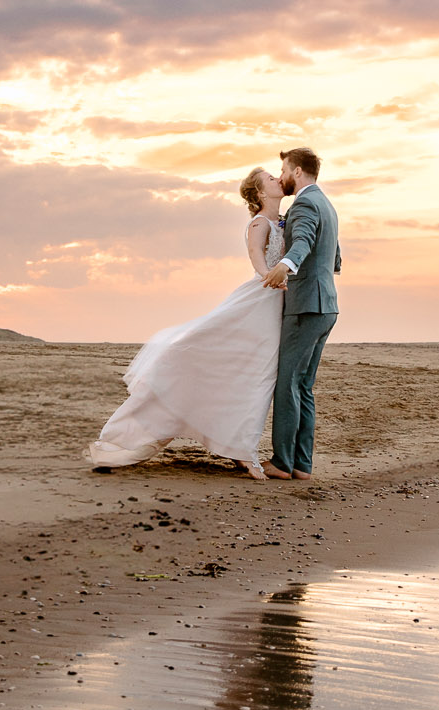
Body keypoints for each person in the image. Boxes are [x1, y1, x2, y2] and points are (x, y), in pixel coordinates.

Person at [85, 166, 290, 479]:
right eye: (270, 179)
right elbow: (255, 256)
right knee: (252, 373)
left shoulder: (284, 221)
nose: (278, 179)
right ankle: (125, 439)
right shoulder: (260, 222)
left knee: (255, 375)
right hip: (261, 299)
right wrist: (270, 278)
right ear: (260, 193)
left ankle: (235, 445)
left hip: (275, 303)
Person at [259, 146, 340, 481]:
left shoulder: (305, 202)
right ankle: (301, 465)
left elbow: (304, 241)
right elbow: (334, 258)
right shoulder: (327, 204)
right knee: (304, 386)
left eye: (283, 169)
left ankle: (281, 463)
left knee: (288, 382)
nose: (281, 176)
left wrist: (286, 265)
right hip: (326, 305)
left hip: (306, 305)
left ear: (297, 170)